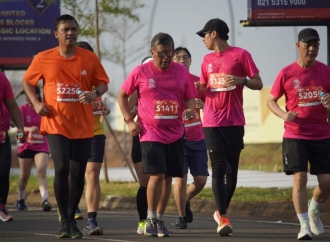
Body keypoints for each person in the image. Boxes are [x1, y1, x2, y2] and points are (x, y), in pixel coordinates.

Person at [22, 14, 109, 239]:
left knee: (79, 173)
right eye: (66, 29)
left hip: (82, 125)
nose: (70, 32)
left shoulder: (89, 58)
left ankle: (71, 219)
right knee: (62, 169)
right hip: (55, 124)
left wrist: (94, 93)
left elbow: (103, 83)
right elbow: (27, 81)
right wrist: (37, 103)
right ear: (56, 34)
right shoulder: (43, 58)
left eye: (73, 29)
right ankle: (64, 220)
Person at [117, 32, 197, 237]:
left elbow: (189, 97)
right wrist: (129, 121)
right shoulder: (141, 71)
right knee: (157, 174)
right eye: (161, 53)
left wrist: (188, 110)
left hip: (176, 133)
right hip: (150, 132)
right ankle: (150, 217)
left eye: (170, 53)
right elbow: (122, 96)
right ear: (152, 52)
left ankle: (159, 219)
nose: (166, 57)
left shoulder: (181, 72)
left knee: (168, 177)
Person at [196, 18, 263, 236]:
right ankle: (223, 216)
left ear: (213, 34)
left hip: (234, 121)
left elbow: (258, 82)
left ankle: (220, 211)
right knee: (218, 168)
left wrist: (240, 80)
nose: (203, 40)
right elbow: (203, 88)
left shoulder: (241, 55)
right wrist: (197, 90)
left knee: (232, 170)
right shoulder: (206, 60)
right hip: (212, 122)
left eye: (204, 35)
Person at [267, 28, 330, 240]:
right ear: (298, 46)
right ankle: (303, 226)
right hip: (295, 135)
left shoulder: (326, 71)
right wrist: (284, 115)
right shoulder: (287, 73)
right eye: (308, 45)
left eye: (316, 45)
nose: (312, 49)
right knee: (300, 179)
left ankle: (313, 210)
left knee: (327, 182)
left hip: (322, 134)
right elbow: (271, 101)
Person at [75, 41, 110, 236]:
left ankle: (92, 220)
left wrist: (102, 106)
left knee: (92, 173)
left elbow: (98, 101)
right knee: (74, 174)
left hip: (95, 132)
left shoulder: (97, 80)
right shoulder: (69, 78)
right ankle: (68, 211)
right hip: (73, 133)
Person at [172, 47, 209, 229]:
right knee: (180, 178)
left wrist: (204, 104)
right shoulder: (169, 83)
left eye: (185, 57)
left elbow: (209, 104)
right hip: (178, 138)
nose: (182, 60)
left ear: (191, 61)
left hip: (197, 137)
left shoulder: (198, 83)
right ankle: (181, 216)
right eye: (177, 57)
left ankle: (184, 200)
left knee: (201, 179)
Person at [128, 56, 153, 235]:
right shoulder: (137, 91)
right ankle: (143, 220)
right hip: (141, 137)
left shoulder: (167, 87)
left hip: (163, 138)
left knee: (159, 181)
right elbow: (126, 109)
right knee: (145, 182)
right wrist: (131, 119)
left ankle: (155, 218)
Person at [16, 86, 51, 212]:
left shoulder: (44, 108)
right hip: (26, 145)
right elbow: (17, 126)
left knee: (41, 171)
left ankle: (45, 200)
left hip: (41, 145)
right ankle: (20, 200)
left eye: (29, 94)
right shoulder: (22, 109)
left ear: (36, 94)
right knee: (24, 175)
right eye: (26, 95)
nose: (27, 97)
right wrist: (28, 129)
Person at [0, 70, 27, 222]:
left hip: (2, 137)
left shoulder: (2, 79)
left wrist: (21, 129)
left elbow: (12, 106)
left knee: (3, 173)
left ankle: (1, 209)